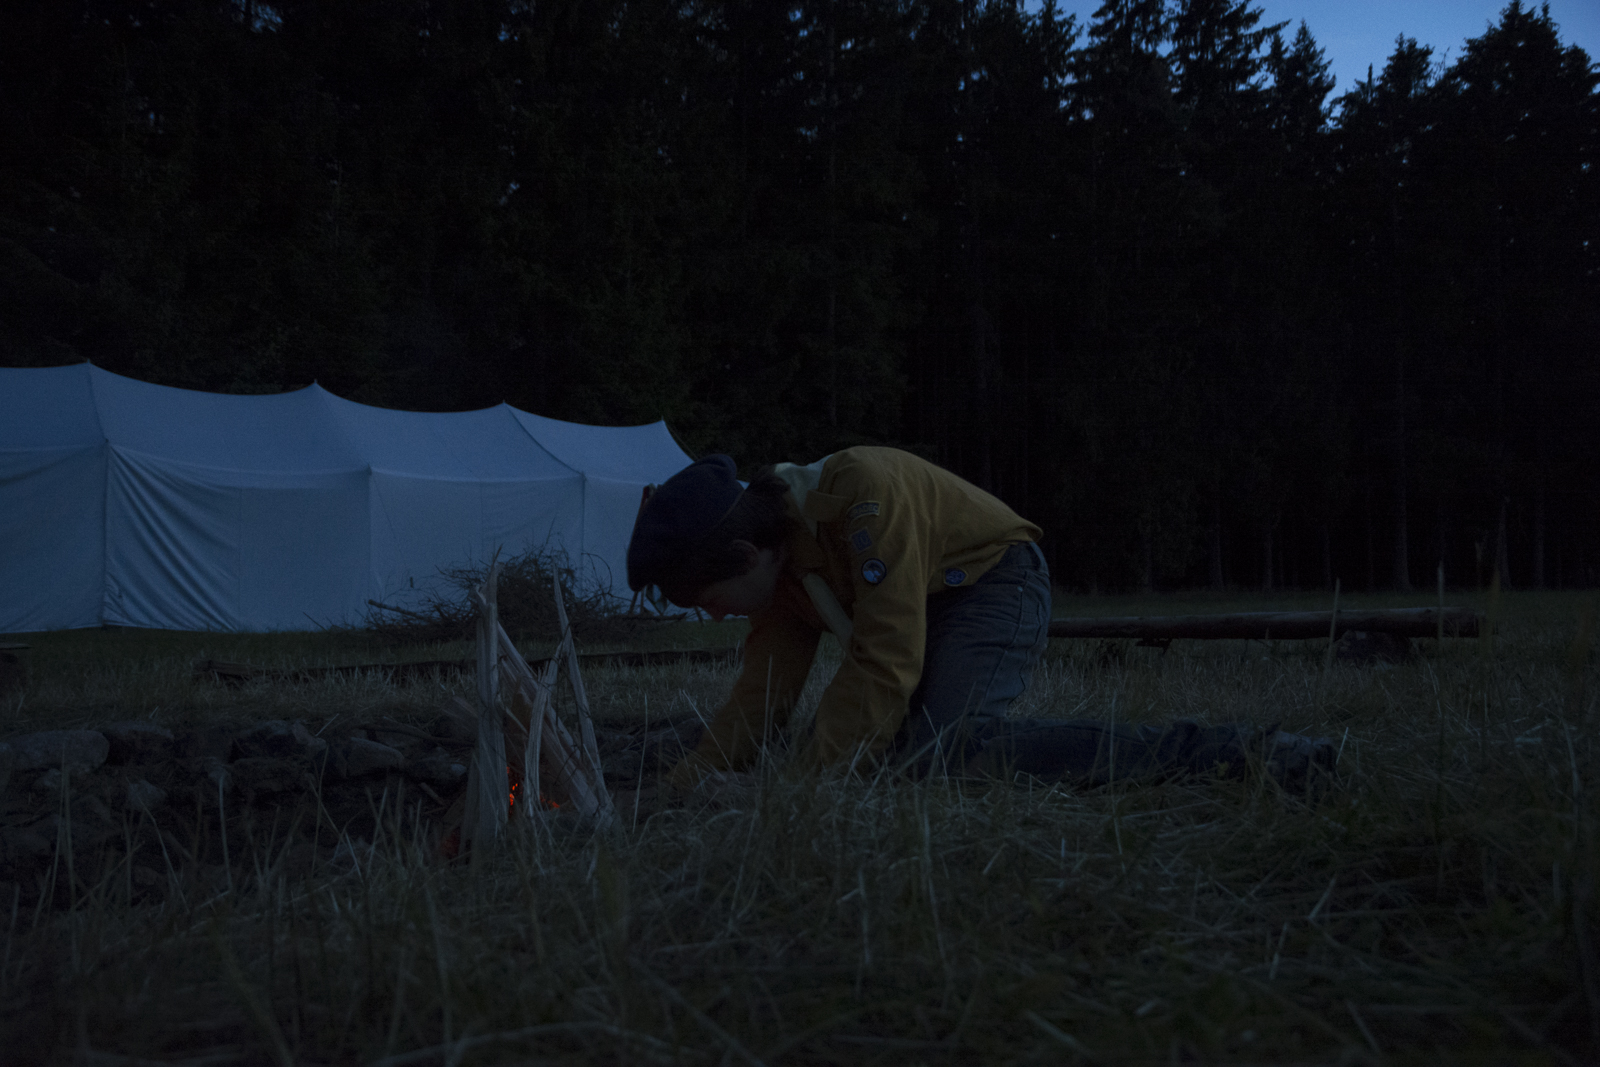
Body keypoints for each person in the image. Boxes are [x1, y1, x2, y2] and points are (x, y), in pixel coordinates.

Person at [625, 447, 1335, 792]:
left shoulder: (860, 497)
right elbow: (762, 694)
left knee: (944, 752)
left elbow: (884, 660)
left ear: (745, 554)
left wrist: (798, 791)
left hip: (995, 582)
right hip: (927, 605)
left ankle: (1243, 755)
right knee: (880, 751)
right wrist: (685, 782)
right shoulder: (779, 579)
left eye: (707, 600)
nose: (714, 616)